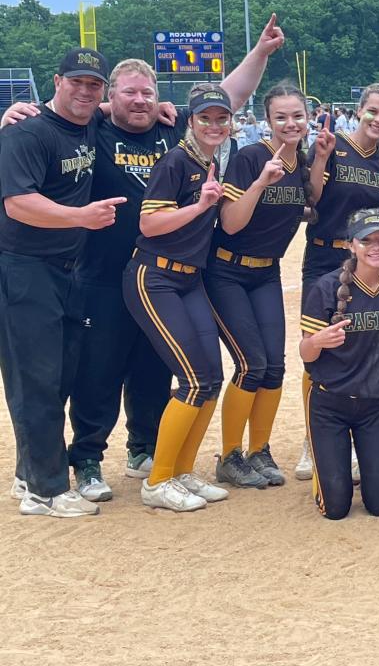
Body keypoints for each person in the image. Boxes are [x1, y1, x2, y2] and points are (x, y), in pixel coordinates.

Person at [1, 16, 284, 502]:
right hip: (102, 275)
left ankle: (145, 449)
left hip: (163, 272)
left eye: (146, 93)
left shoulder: (172, 132)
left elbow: (225, 100)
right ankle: (87, 459)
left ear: (158, 96)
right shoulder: (95, 129)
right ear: (111, 97)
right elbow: (58, 119)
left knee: (157, 367)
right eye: (127, 93)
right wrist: (10, 115)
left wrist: (259, 52)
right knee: (100, 371)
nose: (139, 101)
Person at [0, 47, 119, 517]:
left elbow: (108, 107)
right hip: (25, 268)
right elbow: (18, 204)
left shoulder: (88, 122)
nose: (86, 91)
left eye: (94, 84)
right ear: (56, 80)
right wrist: (80, 217)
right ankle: (44, 491)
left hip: (68, 272)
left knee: (61, 376)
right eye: (77, 82)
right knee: (38, 381)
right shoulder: (26, 132)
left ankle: (30, 471)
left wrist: (155, 105)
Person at [121, 84, 235, 512]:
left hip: (190, 281)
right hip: (156, 278)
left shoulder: (212, 162)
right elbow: (149, 225)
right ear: (191, 121)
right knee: (191, 381)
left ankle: (183, 470)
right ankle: (158, 479)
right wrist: (200, 205)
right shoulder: (176, 160)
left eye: (221, 118)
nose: (214, 125)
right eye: (205, 118)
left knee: (209, 379)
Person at [206, 82, 316, 489]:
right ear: (267, 121)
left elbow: (311, 205)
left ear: (308, 119)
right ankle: (231, 454)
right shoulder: (252, 157)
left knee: (274, 366)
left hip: (265, 272)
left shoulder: (302, 163)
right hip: (227, 271)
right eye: (281, 117)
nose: (290, 123)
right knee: (251, 364)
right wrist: (260, 183)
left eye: (297, 116)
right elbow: (231, 223)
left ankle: (260, 450)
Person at [301, 82, 379, 475]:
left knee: (358, 342)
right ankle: (313, 442)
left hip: (364, 261)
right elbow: (311, 198)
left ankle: (361, 437)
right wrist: (322, 158)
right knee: (318, 345)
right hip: (326, 252)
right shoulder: (332, 144)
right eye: (373, 111)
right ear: (359, 110)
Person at [301, 209, 379, 519]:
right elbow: (305, 354)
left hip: (374, 404)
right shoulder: (326, 287)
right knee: (335, 509)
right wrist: (316, 342)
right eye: (367, 241)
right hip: (329, 402)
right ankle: (325, 471)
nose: (376, 247)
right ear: (351, 245)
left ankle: (357, 465)